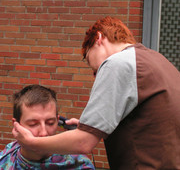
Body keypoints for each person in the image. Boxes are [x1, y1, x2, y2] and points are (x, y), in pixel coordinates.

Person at [12, 16, 180, 169]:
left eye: (93, 67)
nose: (96, 75)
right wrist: (91, 126)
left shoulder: (116, 63)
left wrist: (31, 142)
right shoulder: (159, 61)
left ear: (99, 39)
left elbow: (84, 143)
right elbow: (147, 124)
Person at [0, 85, 95, 170]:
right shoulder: (4, 161)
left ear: (58, 121)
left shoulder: (79, 164)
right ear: (16, 125)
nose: (44, 133)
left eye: (50, 123)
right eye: (33, 124)